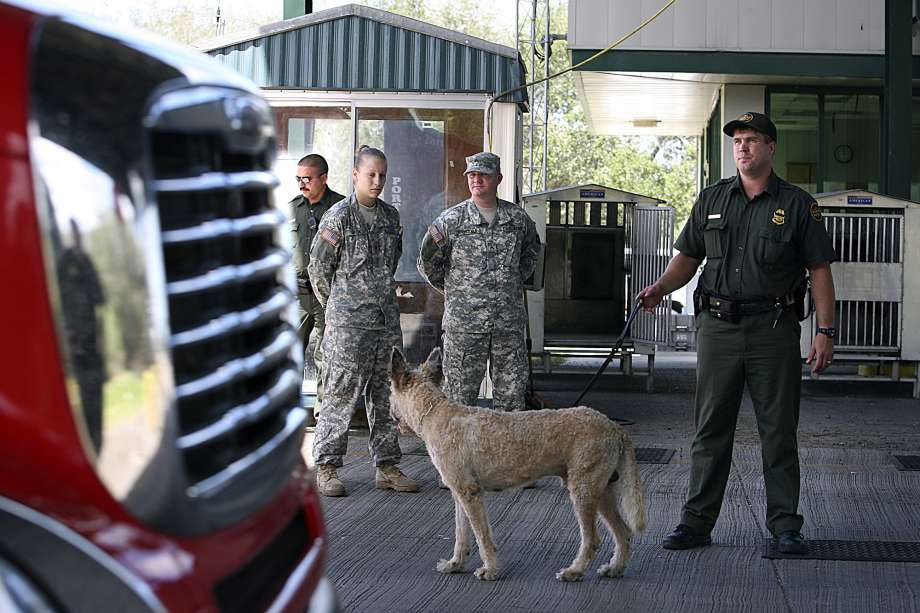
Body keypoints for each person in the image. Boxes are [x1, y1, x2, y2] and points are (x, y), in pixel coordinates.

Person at [638, 112, 836, 555]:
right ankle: (696, 523)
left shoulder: (799, 205)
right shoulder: (712, 199)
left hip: (773, 331)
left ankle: (785, 526)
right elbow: (688, 258)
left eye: (752, 140)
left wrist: (825, 330)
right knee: (710, 429)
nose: (742, 147)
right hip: (719, 331)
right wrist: (660, 287)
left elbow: (819, 270)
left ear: (771, 148)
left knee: (778, 430)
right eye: (738, 141)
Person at [307, 145, 418, 497]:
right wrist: (339, 308)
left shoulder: (390, 217)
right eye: (371, 174)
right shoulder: (338, 217)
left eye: (382, 175)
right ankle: (326, 467)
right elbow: (319, 269)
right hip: (347, 325)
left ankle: (386, 466)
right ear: (355, 174)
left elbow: (391, 263)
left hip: (384, 322)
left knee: (386, 395)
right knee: (340, 394)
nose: (377, 181)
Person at [417, 152, 541, 411]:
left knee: (511, 401)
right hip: (464, 327)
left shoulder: (517, 219)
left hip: (507, 325)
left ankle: (506, 452)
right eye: (472, 175)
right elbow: (426, 262)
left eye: (483, 174)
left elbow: (532, 251)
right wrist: (456, 289)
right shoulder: (452, 220)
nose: (477, 180)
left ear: (498, 178)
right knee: (458, 402)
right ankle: (459, 453)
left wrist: (513, 279)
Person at [290, 154, 344, 423]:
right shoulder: (292, 209)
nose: (301, 184)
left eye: (307, 178)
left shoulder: (341, 208)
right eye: (298, 178)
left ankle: (323, 414)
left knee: (326, 356)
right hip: (297, 296)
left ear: (323, 178)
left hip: (327, 295)